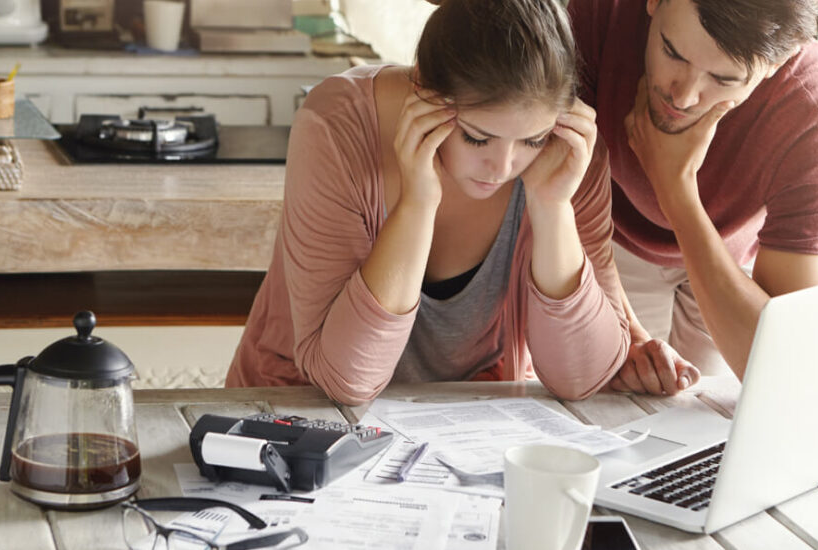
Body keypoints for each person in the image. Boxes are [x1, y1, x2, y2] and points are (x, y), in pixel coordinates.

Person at [225, 0, 631, 405]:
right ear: (423, 90)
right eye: (477, 137)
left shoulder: (569, 153)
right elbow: (346, 379)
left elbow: (583, 378)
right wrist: (417, 203)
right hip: (295, 420)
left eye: (532, 140)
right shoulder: (336, 125)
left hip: (466, 430)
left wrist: (552, 207)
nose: (502, 168)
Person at [568, 0, 818, 393]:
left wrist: (676, 189)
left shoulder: (816, 110)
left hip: (728, 256)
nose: (683, 97)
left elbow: (787, 368)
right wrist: (627, 331)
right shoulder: (598, 13)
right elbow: (551, 194)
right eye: (672, 52)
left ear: (779, 61)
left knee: (713, 414)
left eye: (723, 79)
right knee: (610, 399)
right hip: (605, 230)